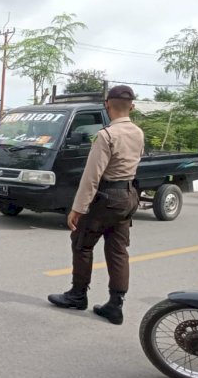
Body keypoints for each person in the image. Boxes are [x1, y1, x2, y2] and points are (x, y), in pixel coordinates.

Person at [48, 85, 144, 324]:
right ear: (132, 106)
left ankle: (78, 295)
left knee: (82, 244)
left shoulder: (106, 135)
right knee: (118, 249)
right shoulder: (138, 133)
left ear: (107, 105)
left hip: (106, 197)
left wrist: (77, 208)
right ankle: (116, 303)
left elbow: (92, 176)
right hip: (128, 195)